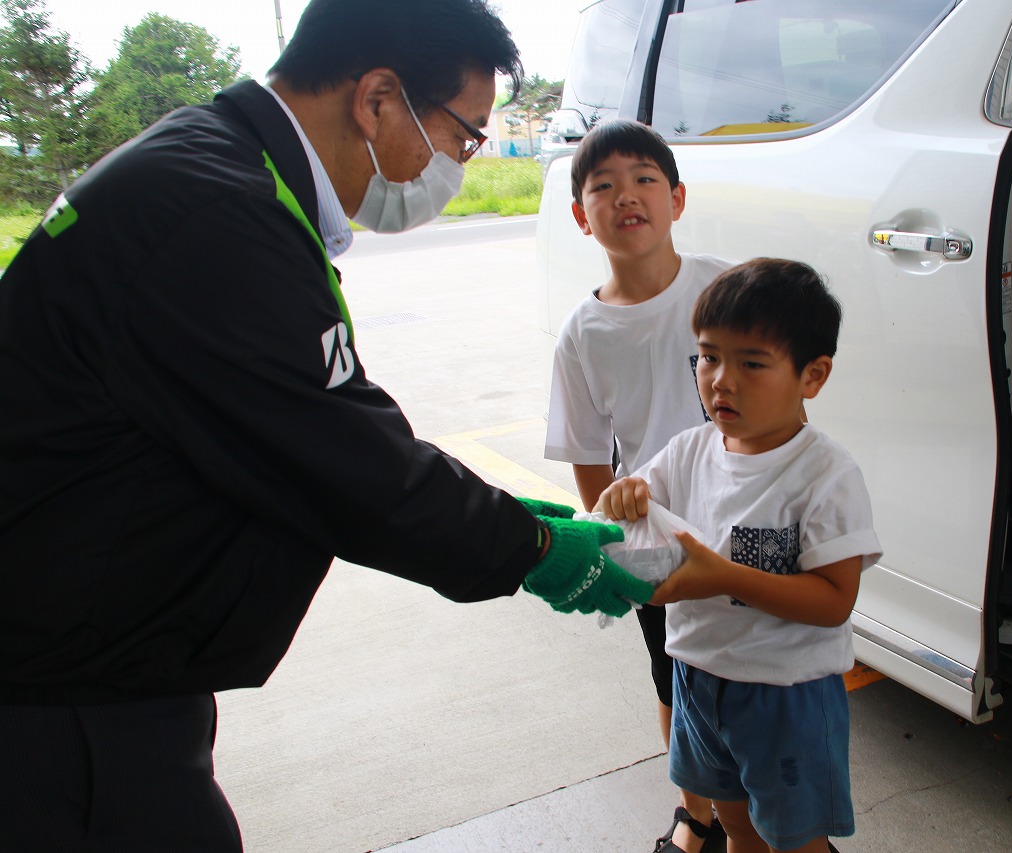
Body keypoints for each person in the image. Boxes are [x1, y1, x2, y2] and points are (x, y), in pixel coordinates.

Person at [0, 0, 652, 848]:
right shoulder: (215, 215)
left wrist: (517, 523)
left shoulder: (207, 164)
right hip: (61, 692)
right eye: (463, 135)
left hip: (80, 654)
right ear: (378, 98)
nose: (457, 161)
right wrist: (528, 548)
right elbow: (349, 462)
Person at [596, 259, 882, 853]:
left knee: (796, 840)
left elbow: (834, 602)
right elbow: (636, 508)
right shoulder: (688, 450)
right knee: (738, 826)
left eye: (751, 363)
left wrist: (721, 577)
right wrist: (623, 494)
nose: (721, 380)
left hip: (787, 695)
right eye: (707, 356)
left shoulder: (825, 475)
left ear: (813, 375)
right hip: (699, 680)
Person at [542, 119, 735, 852]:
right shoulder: (583, 333)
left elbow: (784, 402)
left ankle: (771, 816)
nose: (626, 195)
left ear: (678, 198)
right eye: (602, 186)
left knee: (759, 671)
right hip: (657, 544)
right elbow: (590, 458)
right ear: (579, 214)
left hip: (742, 522)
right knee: (675, 679)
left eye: (644, 179)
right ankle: (699, 815)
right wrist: (611, 536)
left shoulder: (724, 286)